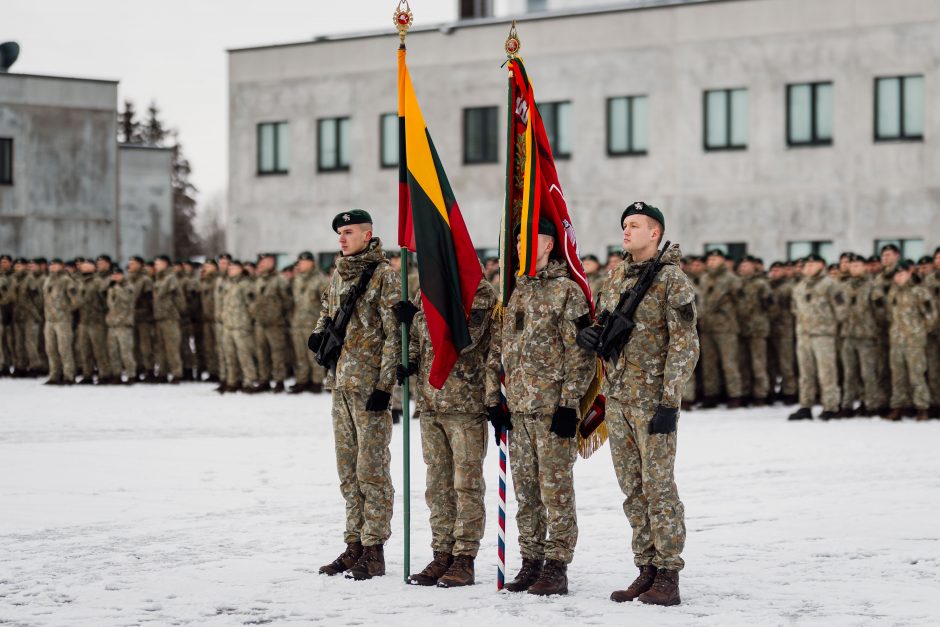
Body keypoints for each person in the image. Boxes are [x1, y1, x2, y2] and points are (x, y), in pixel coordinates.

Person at [577, 202, 698, 606]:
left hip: (652, 402)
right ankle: (645, 568)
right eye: (624, 225)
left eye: (635, 225)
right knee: (632, 489)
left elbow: (685, 345)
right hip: (620, 399)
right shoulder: (614, 278)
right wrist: (592, 337)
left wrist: (669, 400)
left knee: (659, 488)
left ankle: (668, 572)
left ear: (655, 233)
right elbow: (605, 325)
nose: (626, 232)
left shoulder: (671, 281)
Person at [486, 217, 595, 596]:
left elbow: (580, 354)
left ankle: (557, 565)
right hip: (518, 410)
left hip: (552, 412)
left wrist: (569, 405)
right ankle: (530, 560)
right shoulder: (517, 291)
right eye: (516, 240)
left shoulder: (567, 292)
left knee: (555, 491)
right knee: (526, 493)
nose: (518, 246)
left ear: (549, 244)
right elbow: (501, 349)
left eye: (528, 239)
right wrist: (495, 399)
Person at [313, 209, 401, 581]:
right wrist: (318, 334)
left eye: (348, 232)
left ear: (368, 235)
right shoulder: (338, 274)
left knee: (372, 470)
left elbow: (395, 334)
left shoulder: (385, 277)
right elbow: (327, 312)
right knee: (347, 470)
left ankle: (374, 549)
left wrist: (385, 388)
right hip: (340, 384)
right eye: (339, 234)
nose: (342, 239)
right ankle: (354, 544)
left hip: (369, 388)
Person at [397, 276, 497, 588]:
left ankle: (464, 557)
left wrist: (422, 313)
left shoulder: (479, 291)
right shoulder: (427, 288)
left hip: (464, 402)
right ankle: (441, 552)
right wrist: (409, 359)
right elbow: (416, 338)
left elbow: (468, 338)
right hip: (429, 401)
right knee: (437, 485)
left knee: (465, 485)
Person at [788, 254, 844, 421]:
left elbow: (841, 310)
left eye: (813, 264)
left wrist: (829, 326)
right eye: (806, 265)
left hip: (823, 335)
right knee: (806, 372)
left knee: (827, 372)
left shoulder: (831, 285)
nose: (809, 268)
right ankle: (806, 405)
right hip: (804, 334)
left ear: (822, 265)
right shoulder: (799, 287)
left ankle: (831, 406)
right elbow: (795, 309)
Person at [885, 261, 936, 421]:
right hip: (897, 341)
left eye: (902, 274)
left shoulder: (919, 292)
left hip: (914, 342)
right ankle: (899, 406)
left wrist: (919, 332)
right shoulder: (893, 293)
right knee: (898, 376)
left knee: (916, 375)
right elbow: (889, 315)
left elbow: (931, 316)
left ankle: (922, 407)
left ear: (909, 273)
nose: (898, 278)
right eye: (896, 275)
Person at [838, 254, 886, 416]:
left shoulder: (873, 286)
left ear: (864, 267)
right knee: (849, 373)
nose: (854, 269)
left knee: (868, 373)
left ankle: (871, 405)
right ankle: (847, 405)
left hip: (867, 336)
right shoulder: (844, 287)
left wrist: (873, 327)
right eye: (852, 266)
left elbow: (881, 311)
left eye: (858, 266)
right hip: (848, 335)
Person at [697, 249, 743, 407]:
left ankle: (734, 395)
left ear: (722, 261)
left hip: (726, 327)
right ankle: (711, 395)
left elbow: (740, 302)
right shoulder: (704, 278)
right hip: (707, 326)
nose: (712, 263)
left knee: (729, 363)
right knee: (709, 364)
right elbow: (701, 301)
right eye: (709, 260)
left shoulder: (731, 279)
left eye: (715, 259)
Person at [220, 260, 262, 394]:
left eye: (233, 268)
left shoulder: (246, 285)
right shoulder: (227, 284)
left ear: (240, 269)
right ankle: (232, 380)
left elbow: (253, 305)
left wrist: (249, 320)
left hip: (241, 326)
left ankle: (249, 380)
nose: (230, 270)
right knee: (230, 355)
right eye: (230, 268)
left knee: (244, 355)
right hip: (228, 325)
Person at [289, 251, 328, 394]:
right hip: (297, 323)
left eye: (304, 262)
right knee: (299, 354)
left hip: (312, 323)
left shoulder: (320, 280)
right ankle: (302, 380)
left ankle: (316, 381)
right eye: (299, 262)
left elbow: (326, 303)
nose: (301, 264)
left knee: (312, 354)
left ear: (312, 263)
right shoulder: (297, 279)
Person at [253, 253, 291, 393]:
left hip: (275, 324)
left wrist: (277, 314)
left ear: (272, 263)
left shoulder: (279, 280)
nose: (262, 264)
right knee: (262, 353)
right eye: (261, 261)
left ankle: (279, 381)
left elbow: (288, 302)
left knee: (277, 353)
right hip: (260, 323)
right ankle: (264, 380)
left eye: (266, 261)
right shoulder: (259, 280)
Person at [41, 258, 79, 385]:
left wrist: (66, 310)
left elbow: (75, 300)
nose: (52, 267)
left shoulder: (66, 280)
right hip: (49, 320)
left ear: (62, 266)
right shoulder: (47, 280)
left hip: (63, 320)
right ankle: (54, 375)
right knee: (50, 349)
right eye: (51, 264)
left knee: (64, 349)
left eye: (56, 265)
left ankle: (69, 375)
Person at [152, 254, 186, 383]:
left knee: (172, 347)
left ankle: (177, 373)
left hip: (170, 317)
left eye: (158, 263)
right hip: (160, 317)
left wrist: (179, 311)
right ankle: (162, 372)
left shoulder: (170, 278)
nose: (156, 266)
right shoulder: (159, 278)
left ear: (165, 264)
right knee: (160, 348)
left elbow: (178, 297)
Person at [105, 267, 138, 383]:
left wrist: (117, 289)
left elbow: (127, 300)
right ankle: (116, 374)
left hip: (124, 324)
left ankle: (131, 374)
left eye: (118, 275)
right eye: (113, 275)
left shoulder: (129, 287)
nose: (115, 277)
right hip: (113, 323)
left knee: (126, 352)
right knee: (113, 352)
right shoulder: (112, 288)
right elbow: (110, 305)